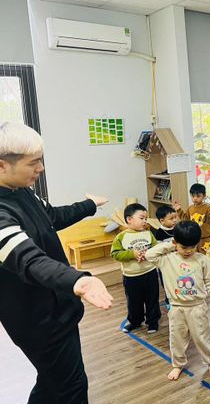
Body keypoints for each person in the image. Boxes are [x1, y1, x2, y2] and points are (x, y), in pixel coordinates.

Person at [0, 122, 113, 403]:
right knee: (72, 388)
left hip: (58, 308)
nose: (40, 169)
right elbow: (30, 260)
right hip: (37, 320)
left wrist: (89, 205)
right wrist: (79, 280)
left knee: (53, 382)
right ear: (2, 166)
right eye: (33, 163)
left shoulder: (21, 190)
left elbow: (50, 216)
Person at [145, 221, 210, 381]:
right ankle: (178, 364)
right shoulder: (166, 259)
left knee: (202, 337)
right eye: (184, 247)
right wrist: (171, 245)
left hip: (197, 307)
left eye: (192, 247)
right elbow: (149, 255)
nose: (188, 251)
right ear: (175, 243)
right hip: (176, 308)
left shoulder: (202, 259)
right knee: (177, 339)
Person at [111, 203, 160, 333]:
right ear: (129, 219)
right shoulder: (121, 236)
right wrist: (132, 254)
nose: (145, 221)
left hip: (150, 272)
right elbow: (115, 254)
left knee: (152, 299)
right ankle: (135, 321)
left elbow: (156, 249)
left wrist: (148, 253)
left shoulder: (148, 234)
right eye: (141, 218)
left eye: (146, 218)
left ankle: (153, 322)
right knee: (134, 301)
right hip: (131, 276)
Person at [173, 183, 210, 269]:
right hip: (193, 238)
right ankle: (197, 271)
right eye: (193, 196)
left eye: (198, 196)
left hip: (205, 238)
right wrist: (179, 210)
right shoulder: (190, 208)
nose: (195, 198)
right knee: (194, 257)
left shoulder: (208, 208)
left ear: (204, 196)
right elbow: (185, 219)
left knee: (207, 255)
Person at [152, 204, 179, 307]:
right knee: (167, 282)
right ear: (162, 221)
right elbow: (159, 249)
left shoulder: (177, 228)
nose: (174, 220)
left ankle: (178, 298)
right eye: (171, 218)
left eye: (175, 217)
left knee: (177, 280)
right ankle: (169, 301)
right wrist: (171, 246)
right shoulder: (159, 233)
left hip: (177, 260)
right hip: (165, 262)